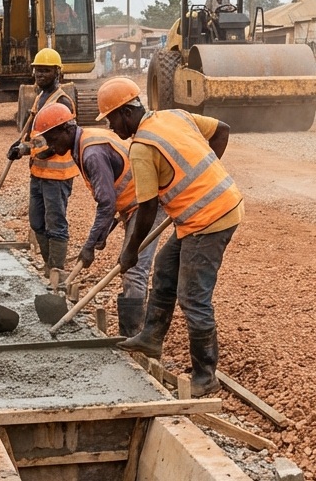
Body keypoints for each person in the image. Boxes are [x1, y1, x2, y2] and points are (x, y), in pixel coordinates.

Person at [97, 78, 241, 398]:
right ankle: (151, 336)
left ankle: (205, 375)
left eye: (111, 119)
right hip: (207, 209)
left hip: (210, 218)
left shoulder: (141, 148)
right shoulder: (174, 115)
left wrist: (131, 251)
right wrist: (204, 177)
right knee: (164, 268)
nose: (110, 127)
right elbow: (222, 130)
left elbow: (147, 209)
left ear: (126, 112)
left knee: (193, 296)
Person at [35, 102, 161, 337]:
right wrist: (100, 236)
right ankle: (133, 333)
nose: (50, 146)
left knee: (133, 269)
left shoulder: (91, 152)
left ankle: (133, 337)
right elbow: (111, 196)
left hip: (147, 205)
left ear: (67, 129)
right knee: (130, 267)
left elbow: (106, 204)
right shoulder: (81, 143)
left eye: (53, 139)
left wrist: (89, 246)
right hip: (133, 203)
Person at [8, 48, 76, 274]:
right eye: (38, 70)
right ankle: (48, 264)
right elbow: (33, 134)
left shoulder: (62, 102)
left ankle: (55, 269)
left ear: (57, 72)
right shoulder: (40, 98)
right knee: (37, 221)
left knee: (55, 222)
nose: (40, 75)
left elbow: (57, 142)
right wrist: (20, 146)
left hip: (57, 175)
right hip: (38, 172)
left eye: (46, 71)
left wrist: (29, 150)